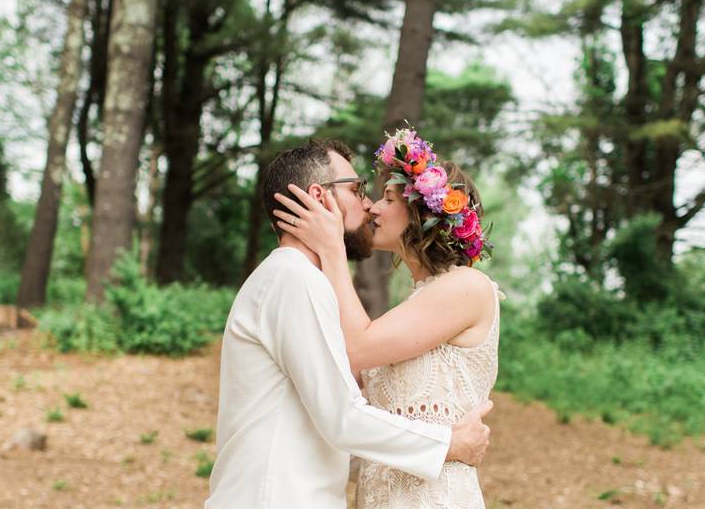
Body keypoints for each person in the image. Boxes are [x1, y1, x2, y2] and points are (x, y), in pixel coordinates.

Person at [205, 139, 493, 509]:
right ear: (319, 197)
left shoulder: (300, 279)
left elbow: (325, 418)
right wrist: (448, 444)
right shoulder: (294, 279)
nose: (367, 204)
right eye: (357, 189)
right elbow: (342, 417)